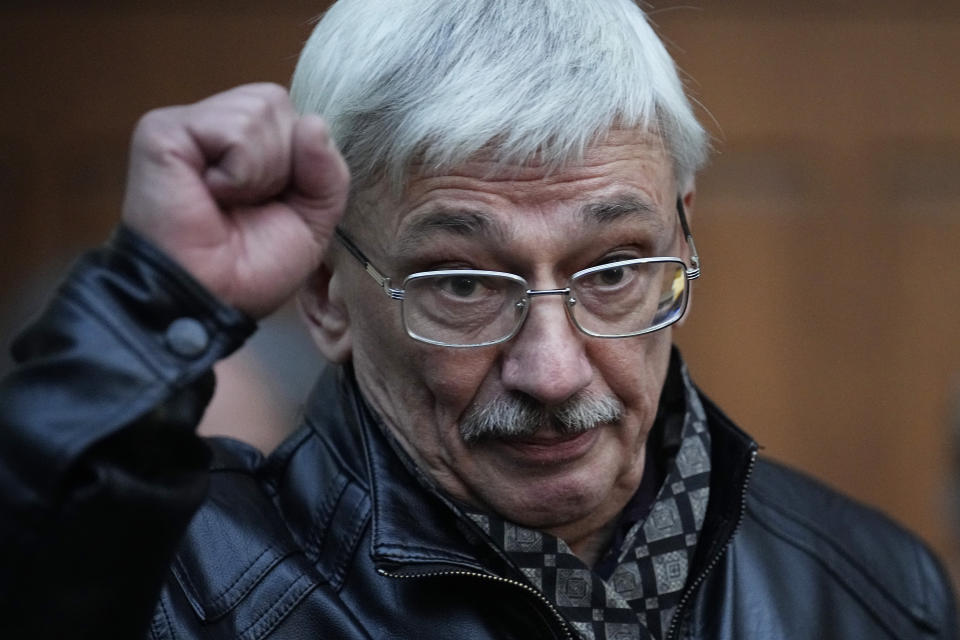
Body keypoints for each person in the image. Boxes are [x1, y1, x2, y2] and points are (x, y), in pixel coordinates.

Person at [0, 0, 955, 638]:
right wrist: (148, 294)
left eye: (614, 268)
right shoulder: (181, 589)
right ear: (329, 294)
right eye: (462, 283)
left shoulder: (872, 591)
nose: (553, 371)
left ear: (683, 235)